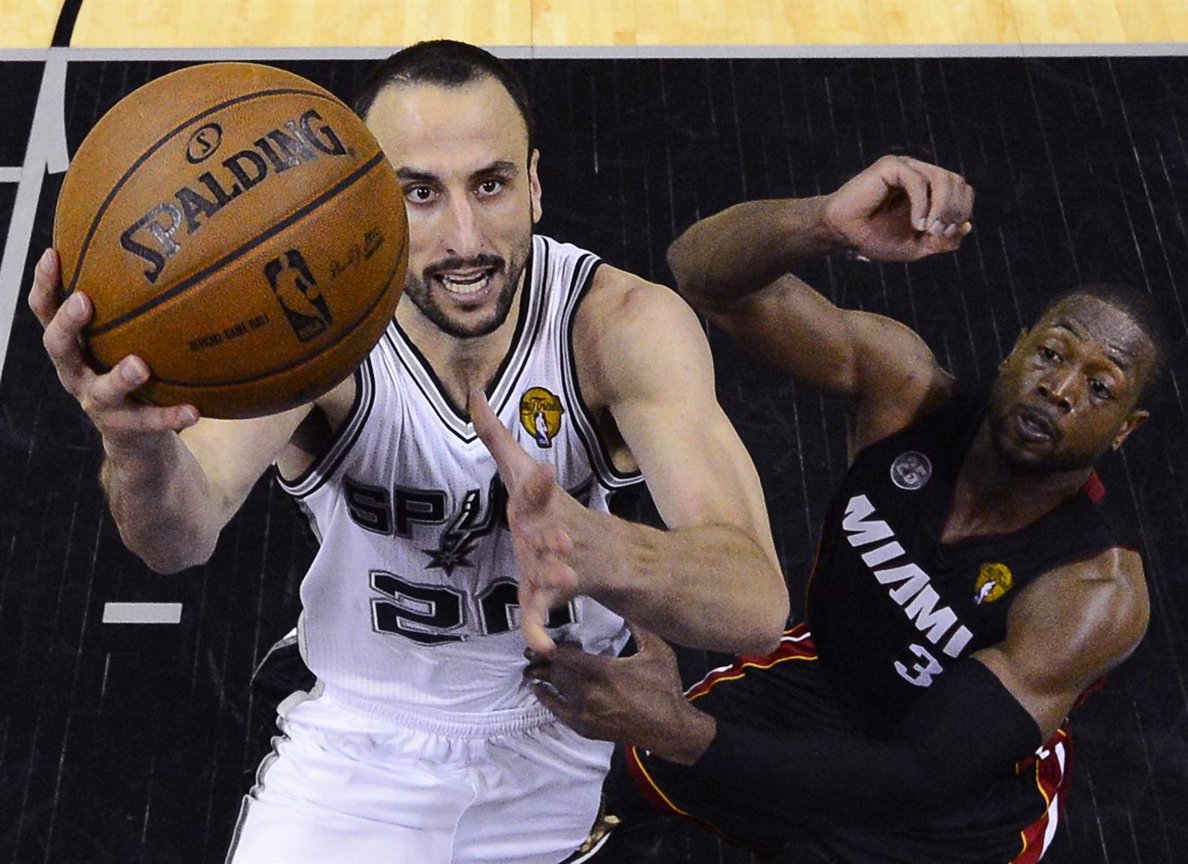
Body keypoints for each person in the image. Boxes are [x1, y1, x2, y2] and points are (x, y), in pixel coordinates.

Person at [27, 41, 788, 864]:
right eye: (420, 193)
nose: (465, 239)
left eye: (490, 185)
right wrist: (134, 443)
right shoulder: (311, 330)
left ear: (535, 184)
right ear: (365, 198)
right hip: (360, 739)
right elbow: (178, 538)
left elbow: (754, 606)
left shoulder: (620, 327)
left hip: (573, 729)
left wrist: (607, 553)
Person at [524, 155, 1166, 863]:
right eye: (1051, 354)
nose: (1060, 389)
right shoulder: (905, 392)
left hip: (947, 812)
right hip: (826, 685)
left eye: (1100, 388)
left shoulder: (1091, 592)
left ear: (1126, 430)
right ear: (1016, 352)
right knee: (614, 776)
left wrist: (679, 731)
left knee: (672, 740)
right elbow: (702, 274)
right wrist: (824, 223)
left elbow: (918, 775)